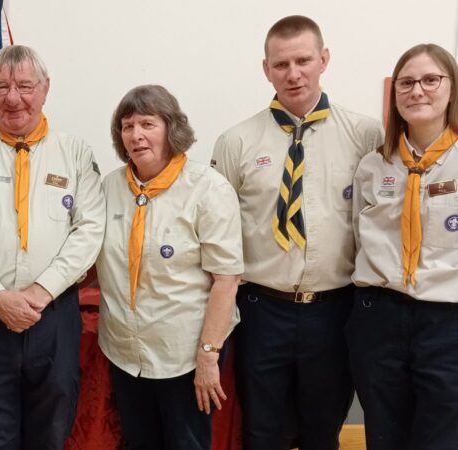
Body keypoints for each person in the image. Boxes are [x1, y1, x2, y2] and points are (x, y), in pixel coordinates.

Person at [211, 15, 384, 450]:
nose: (294, 74)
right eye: (282, 64)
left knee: (321, 432)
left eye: (304, 60)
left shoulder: (364, 134)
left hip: (334, 308)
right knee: (261, 430)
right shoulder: (236, 142)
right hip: (260, 310)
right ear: (266, 69)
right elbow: (218, 234)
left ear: (323, 60)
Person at [0, 45, 105, 450]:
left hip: (53, 317)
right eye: (1, 87)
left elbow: (89, 230)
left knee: (51, 429)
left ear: (46, 89)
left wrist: (39, 292)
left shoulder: (76, 153)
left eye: (25, 86)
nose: (13, 98)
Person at [96, 84, 243, 450]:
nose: (136, 135)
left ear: (171, 128)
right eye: (127, 126)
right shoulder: (109, 188)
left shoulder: (208, 189)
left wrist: (208, 357)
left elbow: (227, 279)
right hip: (126, 352)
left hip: (186, 355)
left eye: (148, 123)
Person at [348, 43, 458, 450]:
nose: (418, 91)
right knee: (384, 433)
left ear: (451, 88)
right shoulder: (374, 165)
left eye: (431, 80)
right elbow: (359, 235)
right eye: (407, 83)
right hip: (379, 316)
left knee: (442, 436)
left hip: (446, 319)